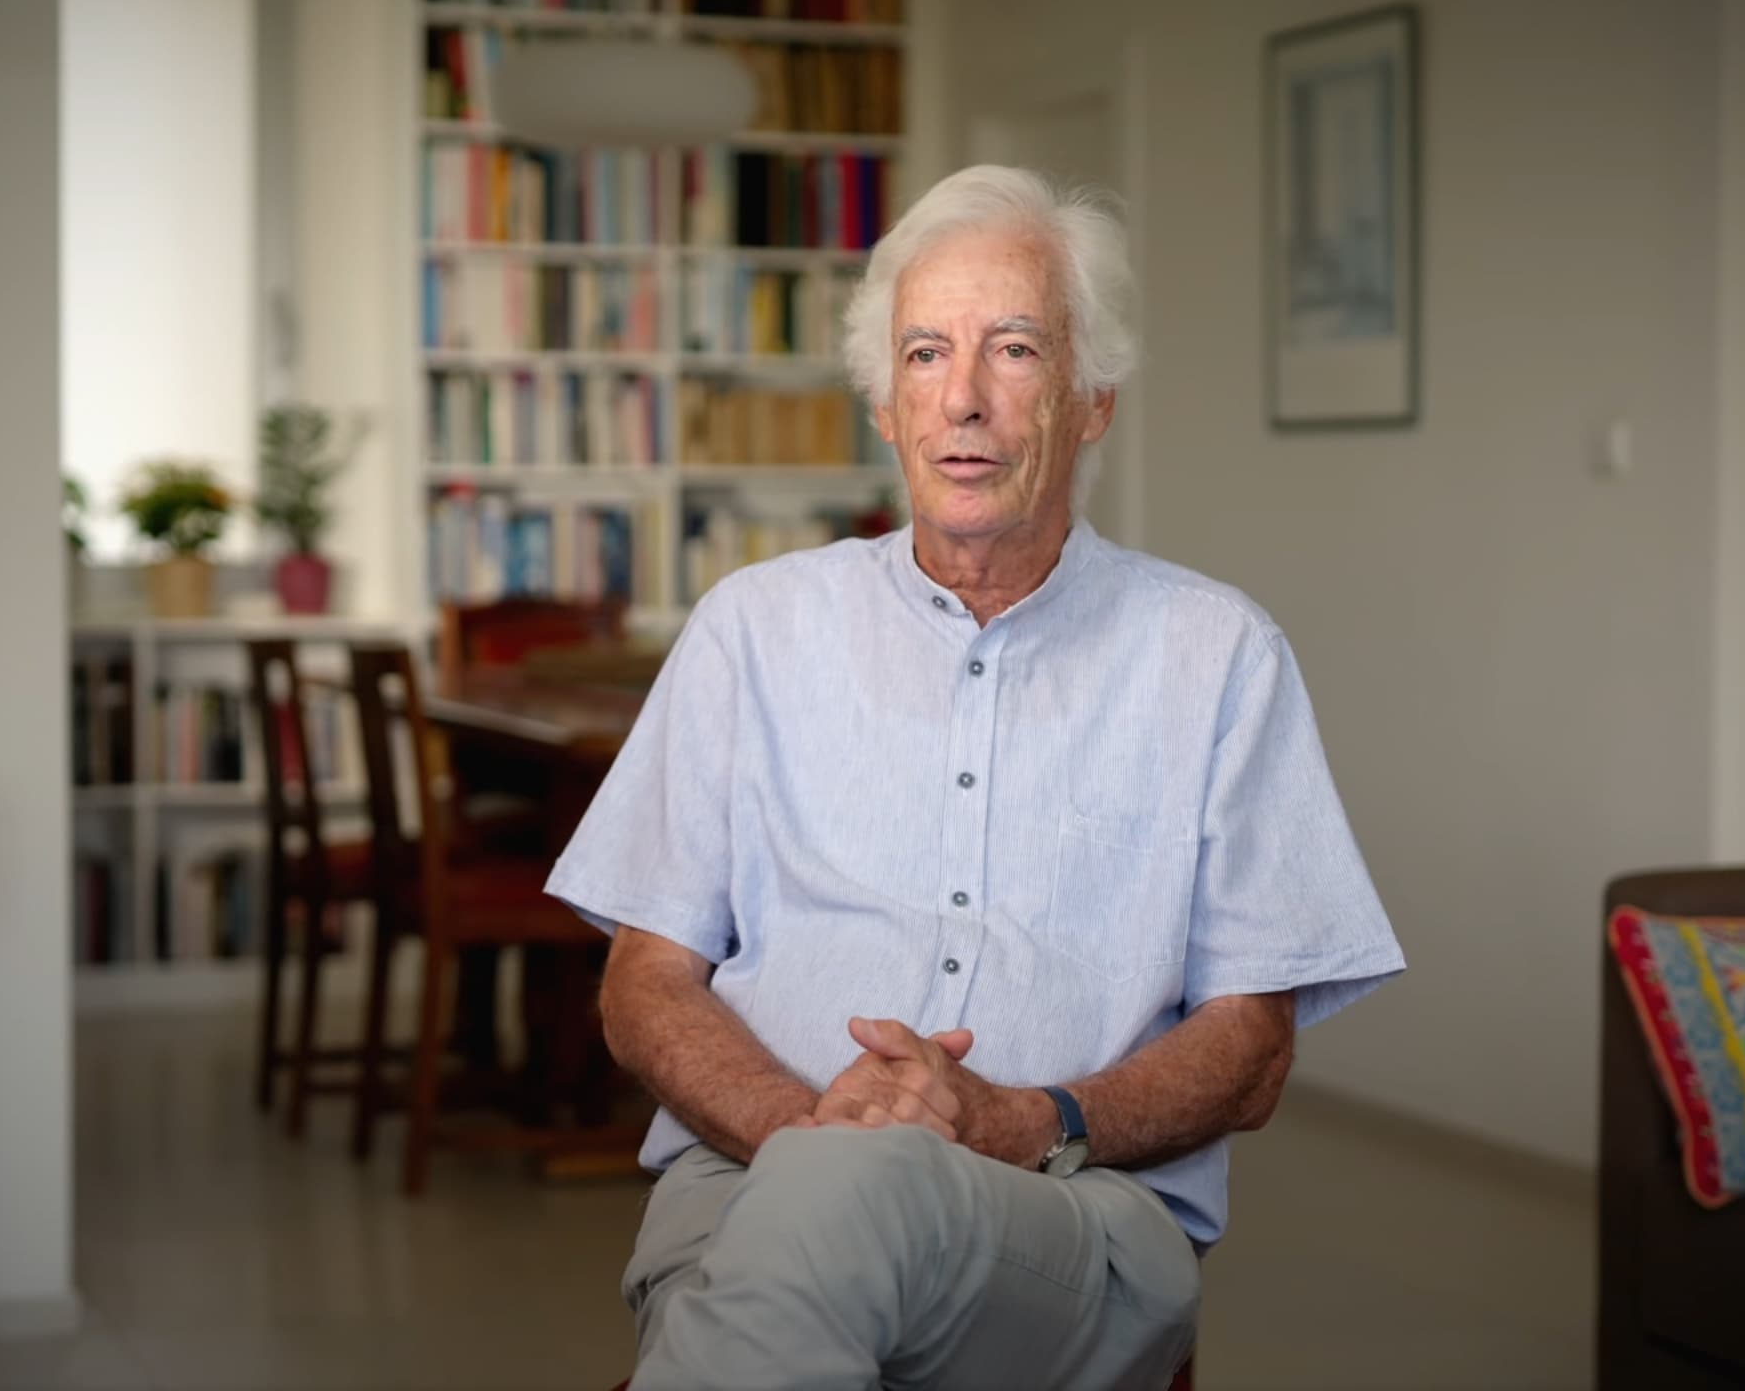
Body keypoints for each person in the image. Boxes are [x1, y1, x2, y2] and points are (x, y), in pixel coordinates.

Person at [545, 165, 1406, 1390]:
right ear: (884, 406)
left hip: (1068, 1215)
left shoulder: (1217, 655)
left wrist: (1022, 1121)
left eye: (1012, 350)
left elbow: (1251, 1049)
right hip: (745, 1177)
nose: (962, 399)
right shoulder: (752, 629)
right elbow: (644, 980)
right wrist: (807, 1135)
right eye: (924, 355)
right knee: (825, 1225)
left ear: (1091, 398)